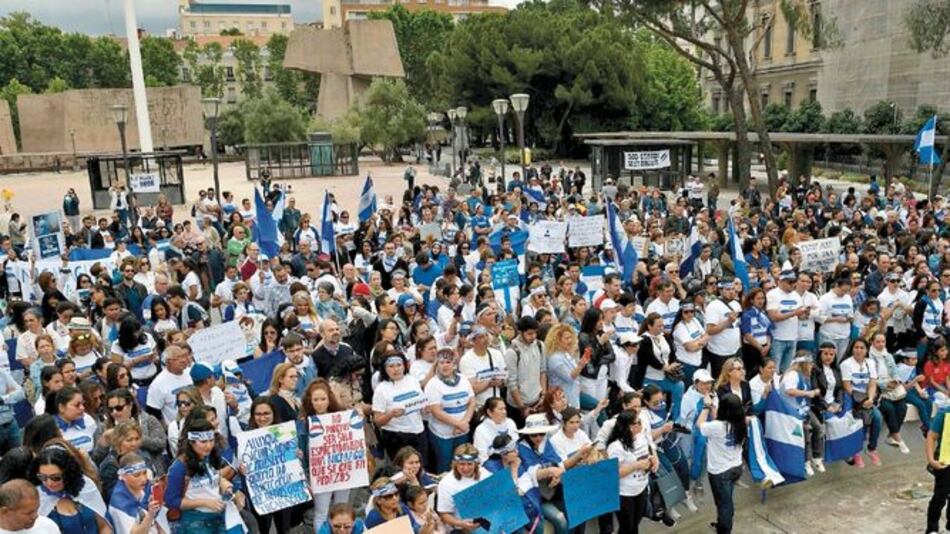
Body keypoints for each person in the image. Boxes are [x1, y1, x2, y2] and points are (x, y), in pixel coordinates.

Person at [165, 418, 244, 533]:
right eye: (203, 442)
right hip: (195, 523)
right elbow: (171, 501)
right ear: (191, 442)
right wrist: (204, 502)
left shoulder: (210, 458)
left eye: (211, 440)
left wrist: (227, 487)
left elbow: (214, 481)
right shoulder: (179, 467)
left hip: (220, 517)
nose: (208, 446)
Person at [30, 445, 111, 533]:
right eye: (43, 477)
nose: (49, 483)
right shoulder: (36, 498)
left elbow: (104, 526)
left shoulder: (86, 486)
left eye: (56, 477)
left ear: (68, 474)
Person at [697, 393, 746, 534]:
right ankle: (722, 524)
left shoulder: (717, 427)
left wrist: (706, 407)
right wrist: (713, 408)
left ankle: (724, 529)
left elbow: (700, 425)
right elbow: (718, 421)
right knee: (726, 500)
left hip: (720, 472)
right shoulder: (741, 422)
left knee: (724, 504)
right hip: (735, 467)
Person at [425, 348, 475, 472]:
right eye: (441, 363)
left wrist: (465, 422)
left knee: (463, 462)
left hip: (463, 431)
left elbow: (472, 401)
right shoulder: (433, 384)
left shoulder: (463, 379)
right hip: (443, 435)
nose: (445, 366)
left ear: (454, 364)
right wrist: (459, 424)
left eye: (448, 362)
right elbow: (436, 411)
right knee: (445, 465)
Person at [606, 409, 656, 534]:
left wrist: (652, 459)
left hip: (641, 487)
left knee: (635, 524)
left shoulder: (640, 437)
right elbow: (614, 473)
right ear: (627, 427)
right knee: (627, 527)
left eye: (639, 422)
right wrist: (636, 465)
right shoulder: (616, 447)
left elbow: (646, 452)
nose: (640, 425)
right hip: (625, 493)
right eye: (636, 423)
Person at [840, 338, 884, 468]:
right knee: (861, 420)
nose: (859, 350)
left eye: (862, 348)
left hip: (867, 398)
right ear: (852, 349)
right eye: (856, 347)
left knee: (877, 418)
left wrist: (870, 399)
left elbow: (872, 383)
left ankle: (871, 449)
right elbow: (847, 386)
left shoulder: (870, 363)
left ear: (866, 350)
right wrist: (862, 401)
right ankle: (856, 451)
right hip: (853, 399)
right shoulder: (846, 364)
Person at [780, 354, 825, 476]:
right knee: (805, 433)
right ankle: (806, 462)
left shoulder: (804, 376)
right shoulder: (792, 375)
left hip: (804, 409)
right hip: (791, 412)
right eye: (810, 364)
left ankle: (817, 457)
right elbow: (790, 391)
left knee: (818, 427)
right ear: (804, 364)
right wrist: (808, 393)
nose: (812, 367)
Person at [107, 453, 164, 534]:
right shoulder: (119, 502)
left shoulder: (146, 489)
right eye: (136, 475)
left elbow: (160, 522)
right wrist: (151, 514)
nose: (143, 479)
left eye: (144, 473)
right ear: (123, 476)